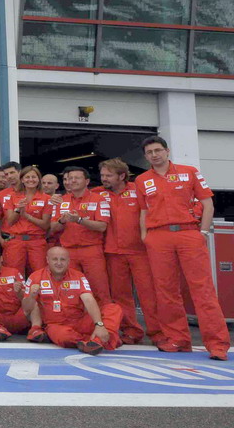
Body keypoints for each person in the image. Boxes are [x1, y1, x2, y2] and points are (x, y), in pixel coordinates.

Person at [136, 136, 229, 360]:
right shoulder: (142, 180)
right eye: (149, 152)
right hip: (158, 237)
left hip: (188, 234)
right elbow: (143, 211)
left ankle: (217, 344)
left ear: (167, 151)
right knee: (166, 291)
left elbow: (207, 203)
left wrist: (203, 232)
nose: (154, 155)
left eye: (158, 150)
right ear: (146, 156)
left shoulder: (189, 172)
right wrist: (145, 236)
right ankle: (178, 339)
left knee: (202, 289)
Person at [97, 158, 162, 346]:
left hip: (140, 251)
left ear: (122, 176)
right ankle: (131, 331)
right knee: (120, 296)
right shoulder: (98, 194)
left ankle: (158, 333)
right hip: (113, 252)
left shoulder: (138, 190)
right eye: (102, 175)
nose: (104, 178)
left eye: (109, 175)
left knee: (148, 294)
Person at [23, 246, 122, 355]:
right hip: (55, 325)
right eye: (55, 259)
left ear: (69, 261)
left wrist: (99, 325)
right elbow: (26, 309)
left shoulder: (78, 276)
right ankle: (100, 340)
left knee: (113, 308)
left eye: (63, 259)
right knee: (64, 337)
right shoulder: (35, 277)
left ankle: (97, 341)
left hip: (79, 321)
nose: (59, 263)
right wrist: (32, 295)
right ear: (47, 260)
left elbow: (89, 300)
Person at [49, 166, 111, 306]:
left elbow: (102, 226)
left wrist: (79, 220)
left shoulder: (99, 200)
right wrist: (61, 221)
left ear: (87, 181)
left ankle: (105, 319)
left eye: (77, 178)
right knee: (70, 291)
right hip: (68, 251)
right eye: (70, 178)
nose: (72, 181)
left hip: (92, 250)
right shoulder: (61, 201)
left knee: (99, 290)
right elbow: (52, 228)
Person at [0, 165, 51, 276]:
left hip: (37, 241)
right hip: (16, 241)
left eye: (34, 177)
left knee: (40, 273)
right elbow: (10, 221)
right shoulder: (12, 197)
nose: (30, 180)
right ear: (22, 180)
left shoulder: (46, 198)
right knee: (14, 274)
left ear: (39, 179)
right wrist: (18, 209)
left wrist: (27, 216)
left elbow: (46, 225)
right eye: (27, 177)